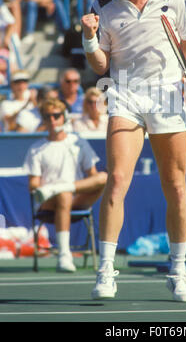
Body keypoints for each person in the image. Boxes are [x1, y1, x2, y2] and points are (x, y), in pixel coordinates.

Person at [81, 0, 186, 302]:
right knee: (116, 180)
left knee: (176, 185)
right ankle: (105, 271)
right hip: (125, 94)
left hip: (167, 96)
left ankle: (178, 272)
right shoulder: (103, 6)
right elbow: (101, 64)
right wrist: (89, 39)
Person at [24, 97, 107, 272]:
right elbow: (33, 185)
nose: (52, 120)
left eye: (56, 115)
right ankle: (64, 255)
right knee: (64, 195)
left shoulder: (79, 142)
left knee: (103, 178)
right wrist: (44, 190)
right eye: (47, 117)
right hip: (48, 203)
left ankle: (60, 188)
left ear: (64, 117)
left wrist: (66, 187)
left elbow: (93, 177)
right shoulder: (35, 149)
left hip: (76, 198)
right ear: (44, 120)